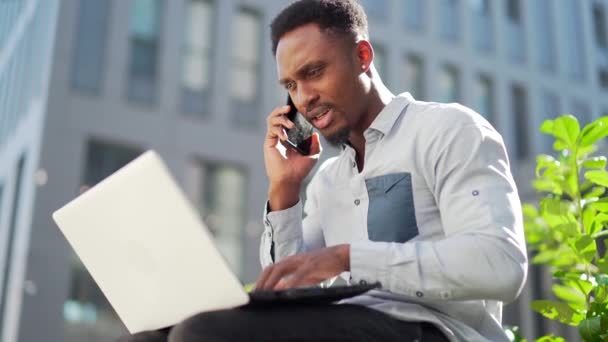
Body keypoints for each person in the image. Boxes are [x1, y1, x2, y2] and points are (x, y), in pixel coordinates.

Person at [121, 0, 528, 341]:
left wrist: (347, 258)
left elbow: (501, 265)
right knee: (152, 336)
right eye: (291, 84)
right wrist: (285, 189)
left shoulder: (448, 129)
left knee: (207, 334)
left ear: (362, 57)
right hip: (350, 325)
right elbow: (288, 284)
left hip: (436, 330)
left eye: (313, 72)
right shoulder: (329, 180)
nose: (304, 99)